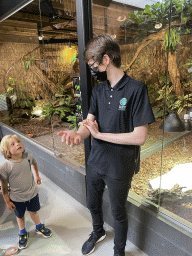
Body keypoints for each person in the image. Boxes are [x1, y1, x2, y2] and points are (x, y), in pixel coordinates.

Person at [57, 34, 155, 256]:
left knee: (118, 212)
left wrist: (101, 136)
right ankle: (98, 231)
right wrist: (78, 135)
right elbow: (89, 123)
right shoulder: (98, 91)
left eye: (93, 63)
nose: (92, 67)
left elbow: (139, 137)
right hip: (96, 160)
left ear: (106, 59)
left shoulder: (136, 89)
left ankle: (119, 251)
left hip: (120, 165)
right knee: (92, 203)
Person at [0, 135, 52, 250]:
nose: (17, 144)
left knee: (34, 212)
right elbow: (4, 186)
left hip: (32, 193)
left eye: (18, 141)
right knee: (20, 216)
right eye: (12, 144)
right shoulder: (5, 167)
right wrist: (7, 201)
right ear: (7, 151)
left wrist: (37, 175)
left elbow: (34, 163)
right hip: (17, 198)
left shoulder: (28, 156)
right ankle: (22, 232)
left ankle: (39, 226)